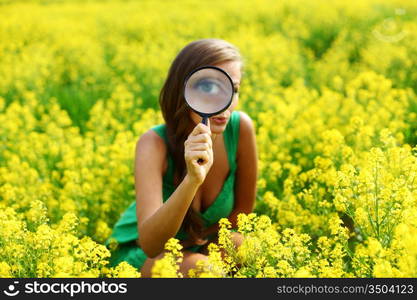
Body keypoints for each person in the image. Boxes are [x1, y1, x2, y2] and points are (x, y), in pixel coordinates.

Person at [105, 38, 258, 278]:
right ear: (183, 89)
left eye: (233, 89)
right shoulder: (153, 143)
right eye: (208, 87)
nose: (224, 103)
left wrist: (205, 245)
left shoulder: (241, 129)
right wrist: (192, 180)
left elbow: (241, 213)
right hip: (143, 254)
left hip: (203, 243)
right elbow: (151, 245)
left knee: (253, 250)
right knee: (206, 271)